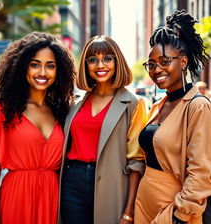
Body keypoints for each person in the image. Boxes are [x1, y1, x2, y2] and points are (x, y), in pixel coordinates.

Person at [0, 32, 75, 224]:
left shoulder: (63, 111)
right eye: (35, 64)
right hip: (16, 199)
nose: (42, 72)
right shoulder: (2, 110)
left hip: (54, 201)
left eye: (50, 66)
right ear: (22, 67)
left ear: (59, 70)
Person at [135, 10, 211, 224]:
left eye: (165, 62)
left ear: (183, 62)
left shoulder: (199, 107)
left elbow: (200, 174)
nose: (157, 70)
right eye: (152, 64)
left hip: (174, 208)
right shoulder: (158, 105)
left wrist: (178, 217)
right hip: (143, 203)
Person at [59, 35, 148, 224]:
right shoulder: (75, 103)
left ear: (117, 61)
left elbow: (136, 162)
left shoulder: (133, 103)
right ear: (85, 64)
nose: (100, 65)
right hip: (71, 182)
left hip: (112, 183)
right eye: (93, 60)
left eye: (107, 58)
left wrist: (129, 211)